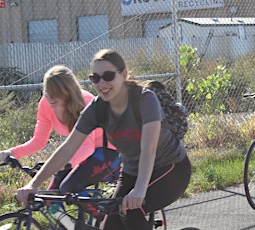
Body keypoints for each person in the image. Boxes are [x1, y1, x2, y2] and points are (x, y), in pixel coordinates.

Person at [15, 49, 191, 229]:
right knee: (111, 224)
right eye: (95, 78)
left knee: (133, 210)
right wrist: (33, 184)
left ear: (123, 75)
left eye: (108, 76)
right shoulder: (97, 108)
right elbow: (68, 148)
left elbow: (148, 149)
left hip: (170, 168)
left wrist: (139, 190)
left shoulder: (144, 99)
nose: (102, 83)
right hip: (131, 171)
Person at [0, 65, 120, 193]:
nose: (51, 98)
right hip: (78, 152)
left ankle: (104, 214)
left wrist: (64, 164)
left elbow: (87, 147)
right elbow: (39, 141)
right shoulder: (46, 104)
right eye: (47, 93)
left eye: (56, 94)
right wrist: (12, 152)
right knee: (51, 199)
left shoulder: (87, 102)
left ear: (68, 92)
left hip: (108, 151)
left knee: (68, 188)